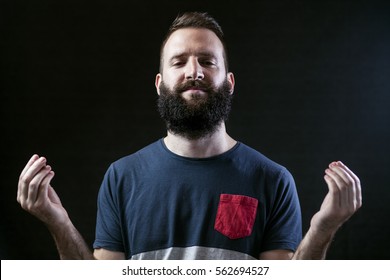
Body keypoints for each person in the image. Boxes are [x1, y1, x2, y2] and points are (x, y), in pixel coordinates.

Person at [17, 12, 362, 260]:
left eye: (207, 62)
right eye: (179, 61)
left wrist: (323, 227)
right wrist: (57, 221)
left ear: (229, 82)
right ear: (159, 83)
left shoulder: (272, 180)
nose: (194, 71)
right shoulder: (121, 177)